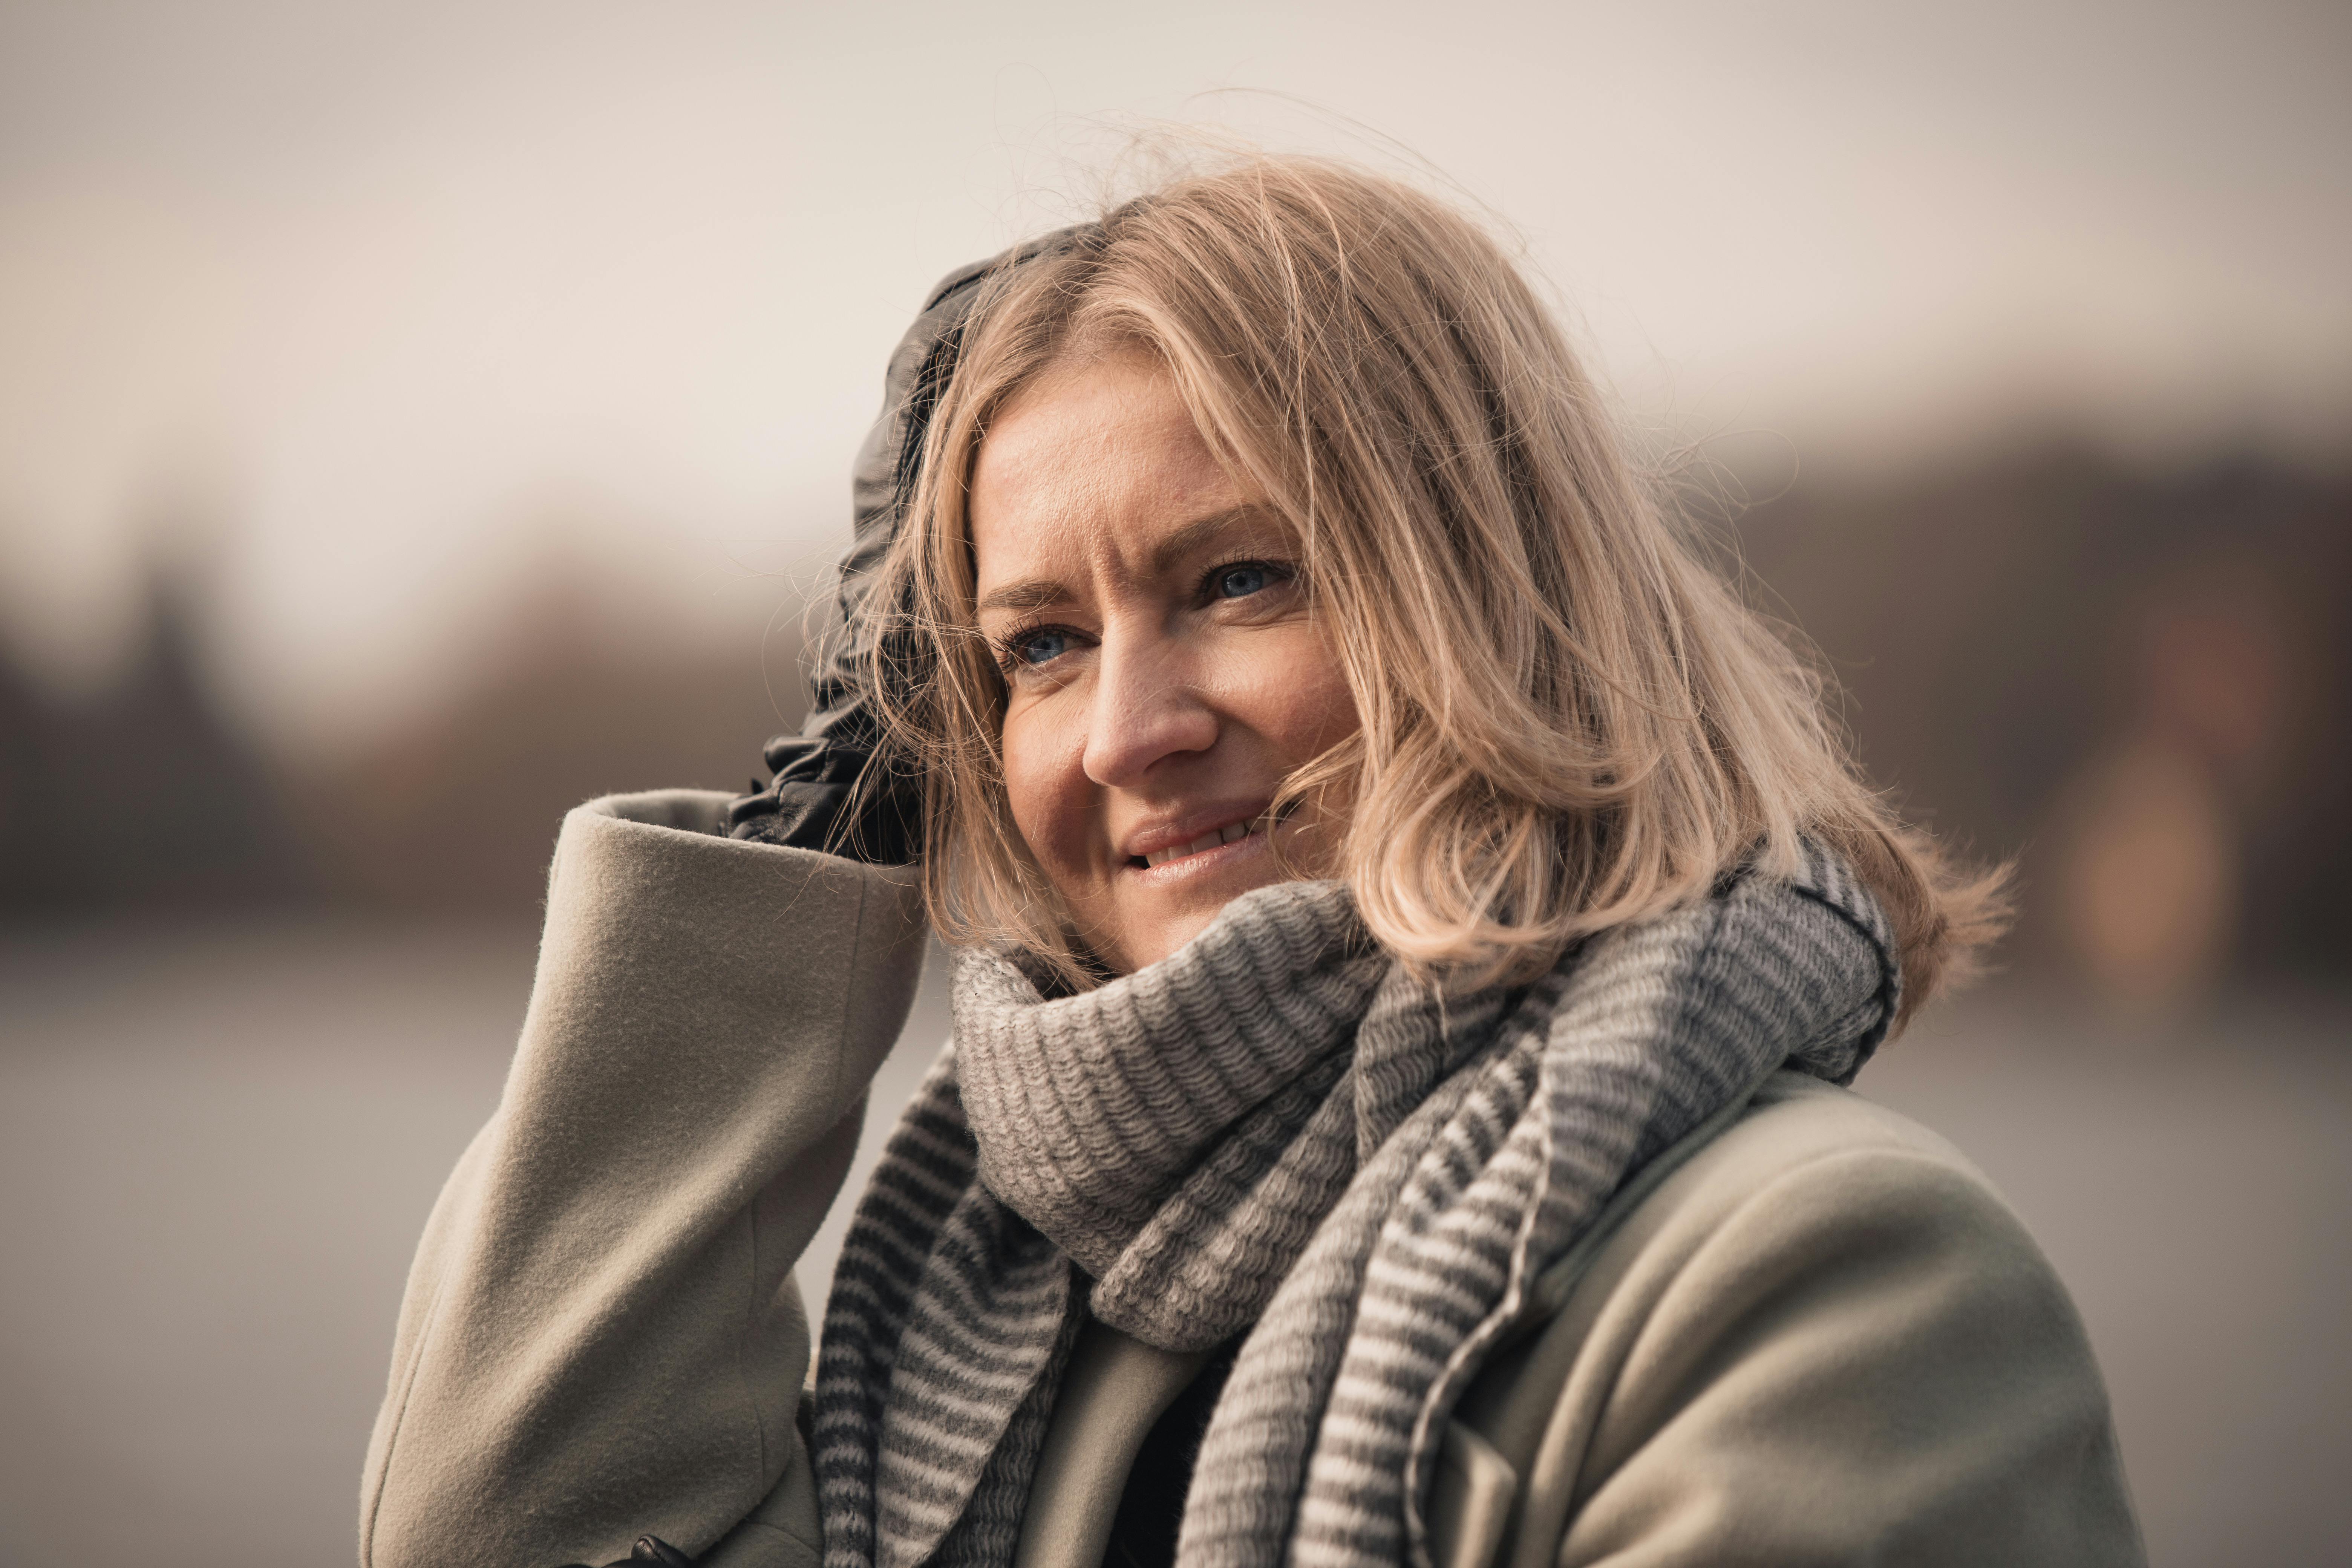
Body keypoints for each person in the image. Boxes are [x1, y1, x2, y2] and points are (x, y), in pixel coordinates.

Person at [358, 157, 2144, 1568]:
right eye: (1037, 645)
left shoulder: (1832, 1282)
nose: (1127, 727)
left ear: (1496, 609)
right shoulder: (997, 1303)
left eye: (1236, 581)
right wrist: (819, 808)